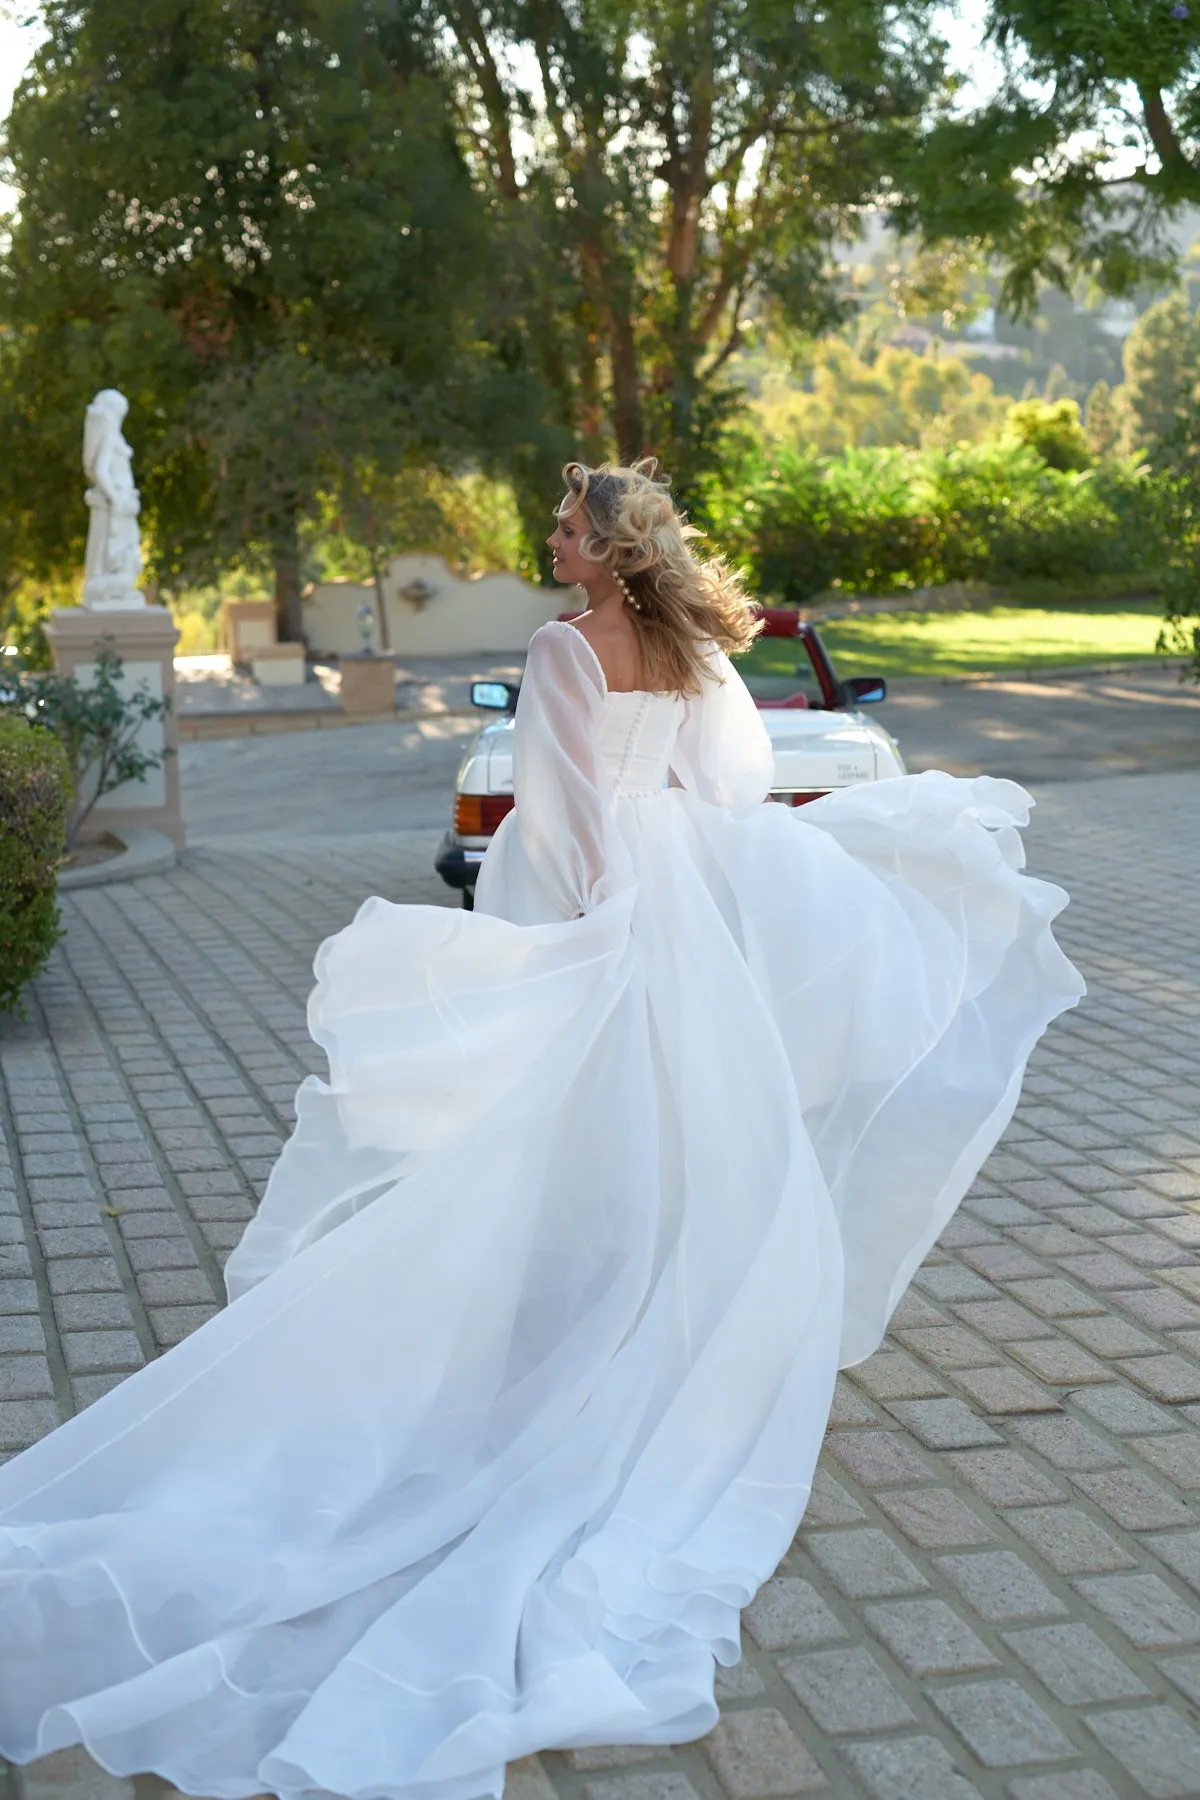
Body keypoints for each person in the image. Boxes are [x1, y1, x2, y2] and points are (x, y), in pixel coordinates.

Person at [0, 458, 1083, 1800]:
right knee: (646, 1133)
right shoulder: (686, 645)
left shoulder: (565, 646)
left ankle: (531, 1332)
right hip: (685, 891)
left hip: (593, 904)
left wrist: (588, 929)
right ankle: (611, 1318)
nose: (551, 538)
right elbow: (731, 785)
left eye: (569, 525)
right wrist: (686, 903)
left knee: (530, 1122)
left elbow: (564, 802)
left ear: (606, 550)